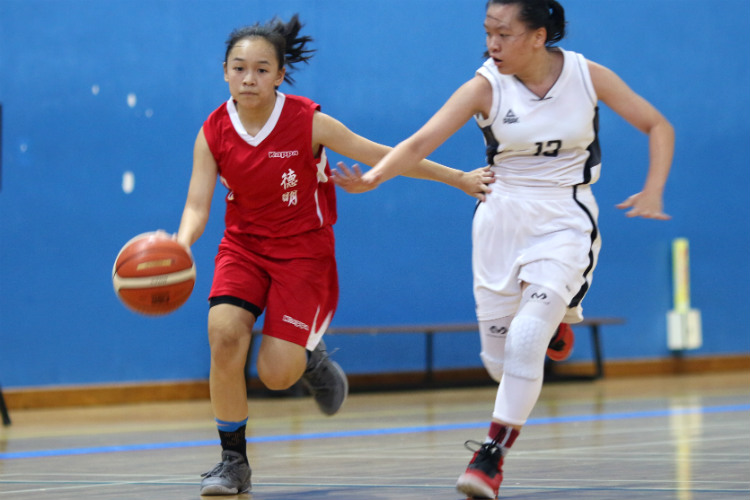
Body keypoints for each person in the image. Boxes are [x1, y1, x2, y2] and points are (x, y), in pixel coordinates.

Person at [332, 0, 674, 498]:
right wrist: (374, 179)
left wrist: (654, 188)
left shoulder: (587, 75)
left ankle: (490, 456)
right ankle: (549, 328)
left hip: (564, 219)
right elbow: (421, 140)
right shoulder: (484, 86)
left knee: (525, 339)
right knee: (499, 361)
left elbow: (657, 124)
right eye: (487, 32)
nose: (492, 44)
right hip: (500, 220)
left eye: (504, 33)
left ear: (539, 36)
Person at [175, 14, 494, 496]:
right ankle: (232, 461)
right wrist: (180, 244)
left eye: (262, 69)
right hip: (242, 247)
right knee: (222, 334)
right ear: (224, 71)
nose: (249, 78)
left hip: (303, 253)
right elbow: (198, 204)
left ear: (280, 75)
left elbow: (383, 154)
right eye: (239, 68)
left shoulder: (308, 121)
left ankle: (312, 360)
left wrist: (460, 179)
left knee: (276, 374)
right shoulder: (214, 130)